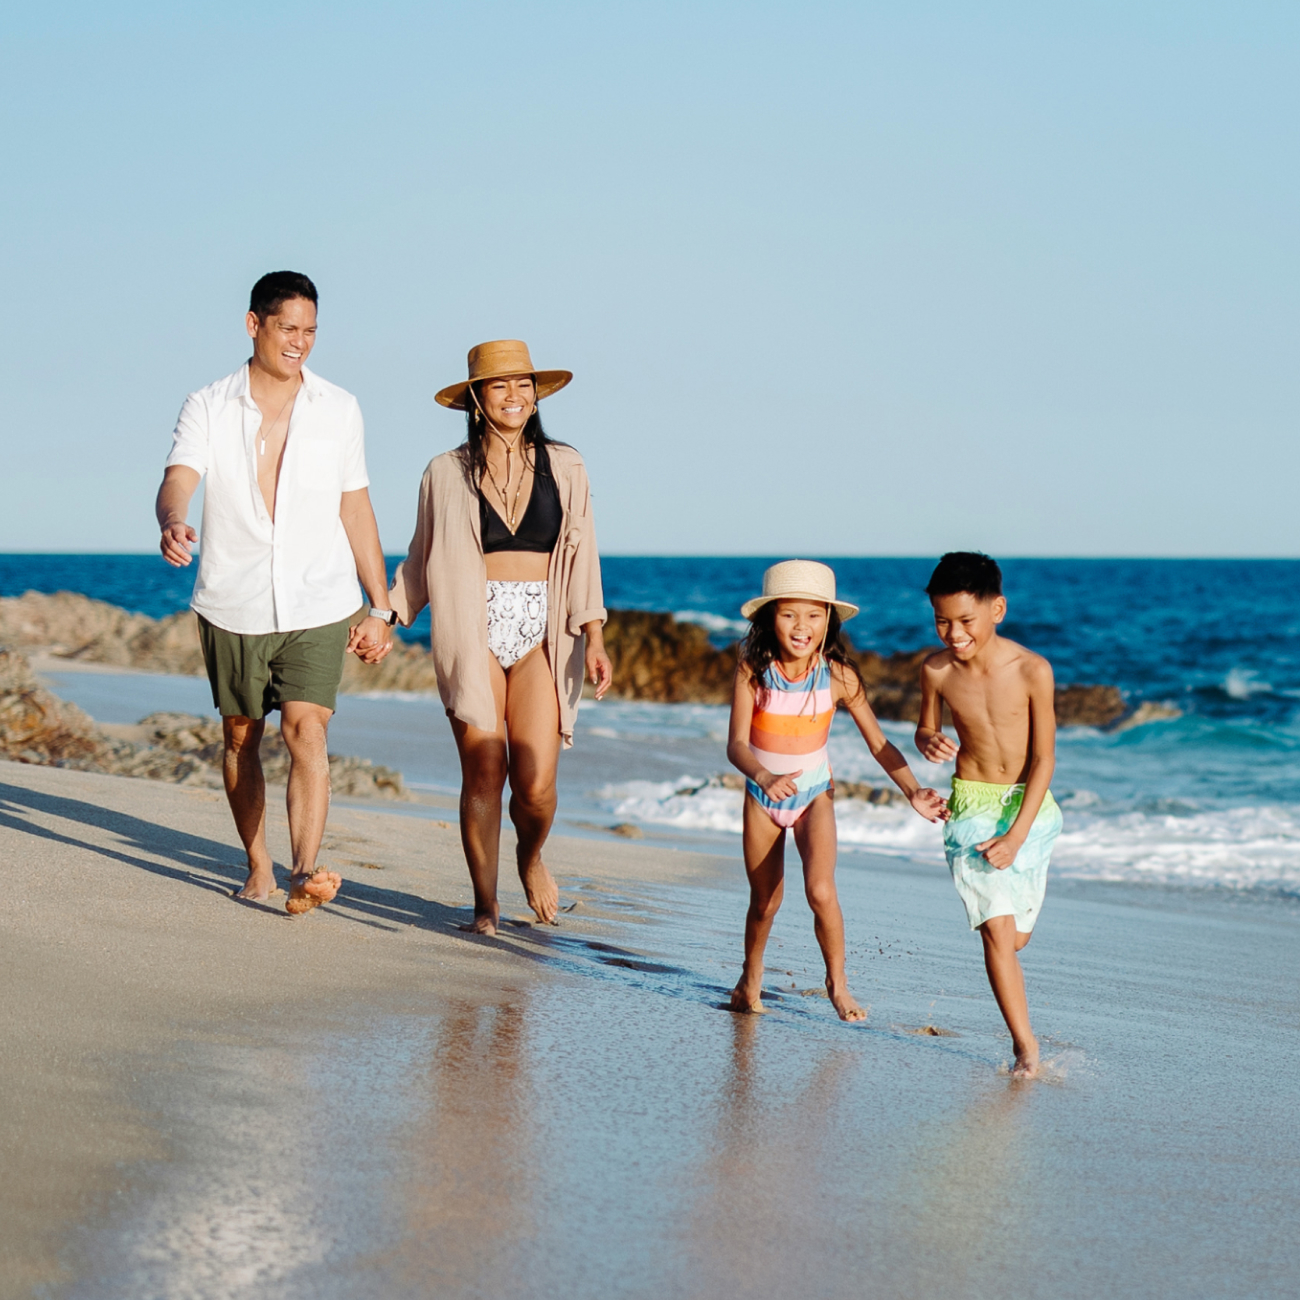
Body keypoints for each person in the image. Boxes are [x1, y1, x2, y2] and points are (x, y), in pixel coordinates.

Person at [154, 271, 396, 915]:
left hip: (318, 598)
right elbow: (179, 477)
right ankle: (258, 863)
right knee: (240, 736)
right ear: (253, 324)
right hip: (232, 599)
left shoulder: (339, 408)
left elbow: (356, 508)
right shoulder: (208, 404)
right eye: (288, 327)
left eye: (310, 331)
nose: (300, 342)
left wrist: (381, 606)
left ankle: (304, 872)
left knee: (306, 730)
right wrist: (173, 520)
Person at [381, 340, 612, 936]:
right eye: (499, 385)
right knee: (484, 770)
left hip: (545, 631)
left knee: (534, 784)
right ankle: (485, 906)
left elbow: (584, 555)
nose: (514, 395)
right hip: (471, 626)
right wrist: (385, 616)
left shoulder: (566, 465)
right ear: (477, 399)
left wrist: (595, 634)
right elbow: (421, 556)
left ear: (536, 394)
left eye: (523, 384)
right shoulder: (444, 471)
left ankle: (530, 857)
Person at [726, 560, 948, 1021]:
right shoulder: (752, 671)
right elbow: (736, 746)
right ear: (770, 617)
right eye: (789, 614)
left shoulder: (839, 676)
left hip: (814, 796)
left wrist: (912, 791)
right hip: (762, 799)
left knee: (821, 891)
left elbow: (879, 744)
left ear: (829, 619)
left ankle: (838, 983)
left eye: (814, 615)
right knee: (765, 902)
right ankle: (751, 975)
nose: (801, 626)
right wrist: (763, 777)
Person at [915, 551, 1062, 1078]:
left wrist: (1018, 836)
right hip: (972, 808)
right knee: (998, 934)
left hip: (1031, 812)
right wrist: (928, 739)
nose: (953, 634)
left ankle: (1022, 1030)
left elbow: (1044, 759)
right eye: (942, 621)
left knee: (1015, 939)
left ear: (997, 609)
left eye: (965, 620)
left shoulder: (1032, 671)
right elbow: (925, 727)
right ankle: (1027, 1049)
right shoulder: (936, 670)